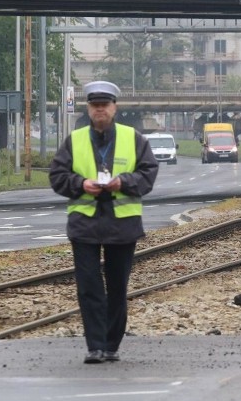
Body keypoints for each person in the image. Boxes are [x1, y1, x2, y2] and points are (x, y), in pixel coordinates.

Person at [49, 81, 159, 364]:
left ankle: (111, 344)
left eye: (105, 105)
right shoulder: (74, 141)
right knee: (89, 287)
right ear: (89, 109)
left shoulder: (133, 138)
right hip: (85, 224)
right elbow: (57, 176)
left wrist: (124, 182)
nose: (100, 110)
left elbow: (148, 173)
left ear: (114, 108)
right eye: (95, 106)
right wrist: (80, 183)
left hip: (122, 225)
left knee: (117, 287)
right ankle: (95, 346)